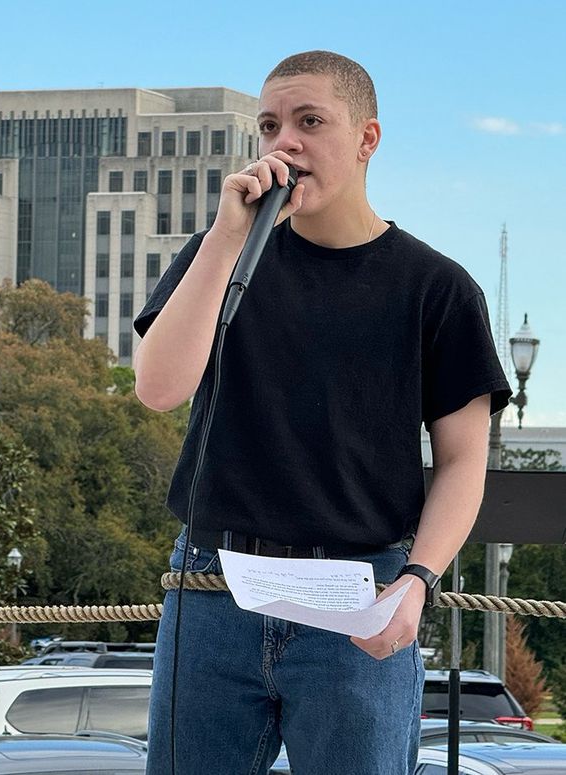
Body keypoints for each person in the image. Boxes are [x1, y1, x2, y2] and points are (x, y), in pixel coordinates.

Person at [133, 51, 510, 775]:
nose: (286, 141)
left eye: (310, 121)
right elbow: (158, 388)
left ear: (367, 138)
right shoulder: (221, 255)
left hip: (362, 592)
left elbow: (464, 462)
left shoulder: (438, 288)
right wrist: (225, 236)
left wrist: (419, 579)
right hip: (216, 582)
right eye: (270, 125)